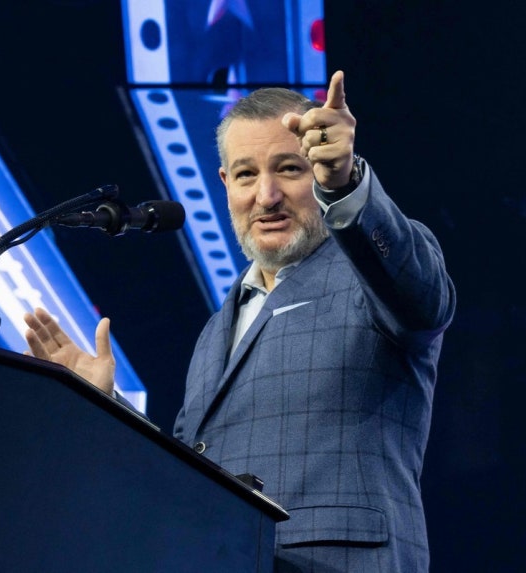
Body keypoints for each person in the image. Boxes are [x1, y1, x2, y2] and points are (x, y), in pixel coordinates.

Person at [23, 70, 456, 572]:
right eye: (247, 174)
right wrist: (105, 405)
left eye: (289, 169)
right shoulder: (216, 330)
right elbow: (184, 468)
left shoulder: (373, 274)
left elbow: (423, 301)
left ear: (318, 170)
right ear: (226, 184)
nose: (266, 195)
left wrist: (347, 184)